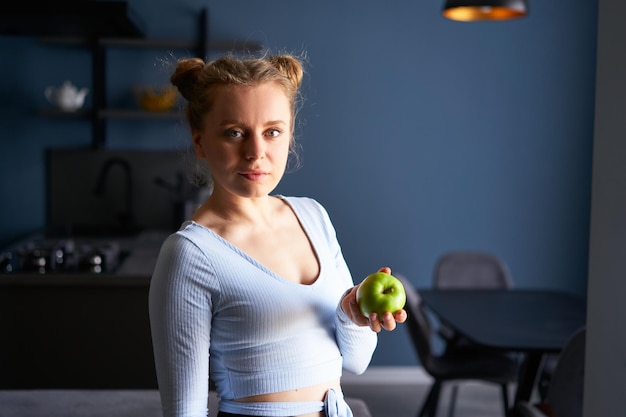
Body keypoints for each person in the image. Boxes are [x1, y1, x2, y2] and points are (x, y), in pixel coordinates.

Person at [148, 52, 407, 417]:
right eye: (234, 133)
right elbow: (183, 410)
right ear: (201, 142)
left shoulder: (313, 216)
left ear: (289, 136)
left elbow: (357, 361)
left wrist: (353, 313)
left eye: (272, 132)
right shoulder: (190, 253)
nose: (256, 153)